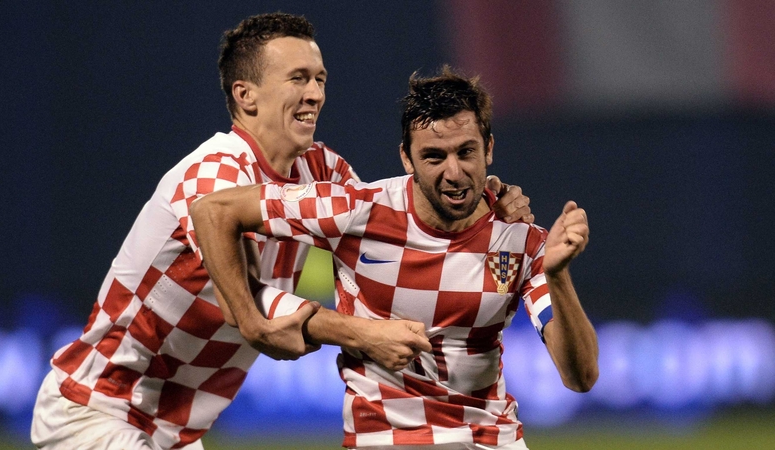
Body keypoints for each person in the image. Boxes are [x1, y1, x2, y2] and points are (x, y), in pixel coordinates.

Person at [30, 13, 533, 450]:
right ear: (245, 95)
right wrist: (362, 332)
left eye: (320, 78)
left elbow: (395, 230)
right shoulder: (212, 177)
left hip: (171, 427)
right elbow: (246, 305)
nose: (315, 93)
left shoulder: (323, 172)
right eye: (297, 78)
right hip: (97, 407)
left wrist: (485, 197)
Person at [191, 66, 599, 449]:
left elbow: (580, 377)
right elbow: (214, 212)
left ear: (488, 149)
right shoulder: (357, 211)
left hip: (490, 439)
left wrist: (557, 274)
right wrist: (249, 321)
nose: (453, 172)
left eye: (466, 152)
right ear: (406, 158)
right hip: (385, 439)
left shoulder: (521, 241)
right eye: (434, 157)